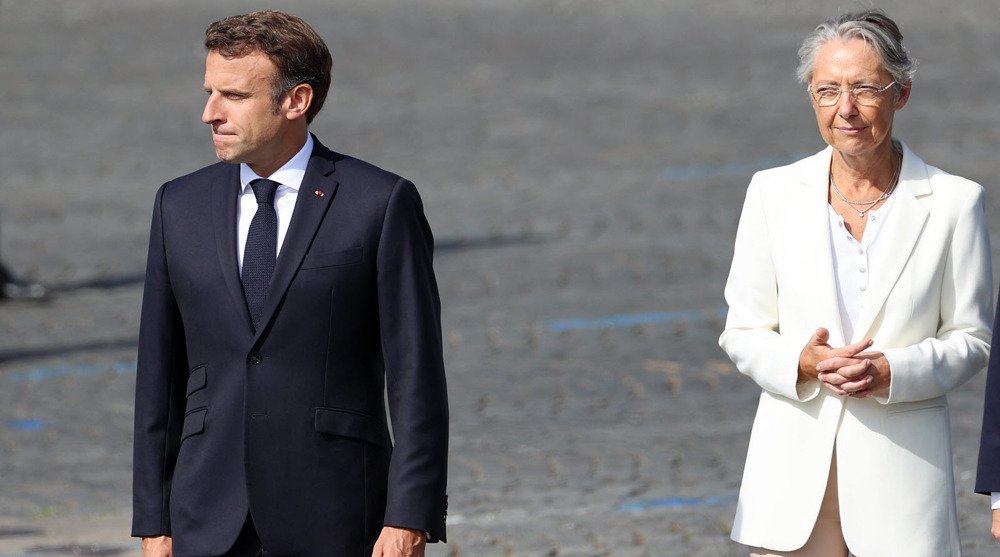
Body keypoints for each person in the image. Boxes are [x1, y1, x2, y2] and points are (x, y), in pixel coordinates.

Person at [131, 11, 448, 557]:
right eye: (209, 92)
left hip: (338, 512)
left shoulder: (378, 202)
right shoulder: (178, 205)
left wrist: (409, 517)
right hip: (207, 516)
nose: (209, 113)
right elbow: (159, 374)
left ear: (295, 101)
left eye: (232, 95)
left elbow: (415, 373)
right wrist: (154, 521)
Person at [719, 9, 992, 557]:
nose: (845, 109)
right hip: (790, 488)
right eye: (827, 91)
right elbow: (743, 330)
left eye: (865, 88)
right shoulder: (772, 193)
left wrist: (892, 371)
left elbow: (973, 338)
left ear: (902, 93)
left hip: (903, 490)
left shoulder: (955, 203)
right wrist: (806, 362)